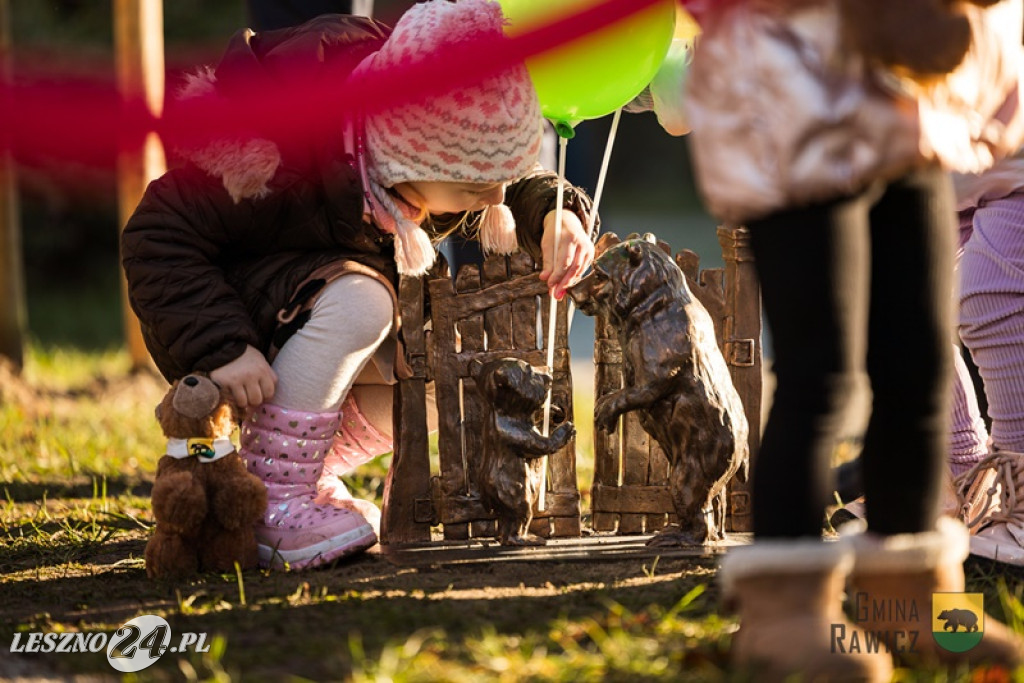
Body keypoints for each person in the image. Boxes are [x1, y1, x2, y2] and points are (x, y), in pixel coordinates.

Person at [122, 0, 595, 570]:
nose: (494, 198)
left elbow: (506, 179)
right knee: (364, 301)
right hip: (238, 330)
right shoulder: (281, 157)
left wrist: (555, 213)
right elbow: (156, 235)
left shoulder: (410, 169)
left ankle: (307, 472)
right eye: (475, 189)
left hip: (302, 320)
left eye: (498, 182)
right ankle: (272, 496)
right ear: (407, 157)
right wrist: (223, 348)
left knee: (444, 373)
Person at [678, 0, 1024, 678]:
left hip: (908, 92)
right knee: (821, 373)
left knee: (918, 367)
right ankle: (784, 615)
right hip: (795, 94)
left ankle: (913, 600)